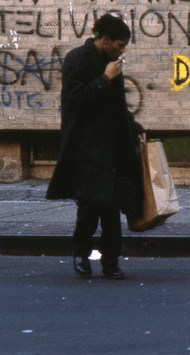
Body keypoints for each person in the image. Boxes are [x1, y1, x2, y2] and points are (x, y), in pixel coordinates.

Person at [46, 14, 145, 280]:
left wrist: (135, 129)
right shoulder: (76, 59)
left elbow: (119, 104)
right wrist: (104, 78)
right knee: (90, 206)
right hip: (87, 145)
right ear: (104, 39)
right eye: (120, 44)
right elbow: (75, 98)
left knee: (114, 207)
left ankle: (111, 261)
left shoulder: (112, 63)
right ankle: (81, 254)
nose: (122, 50)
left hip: (114, 145)